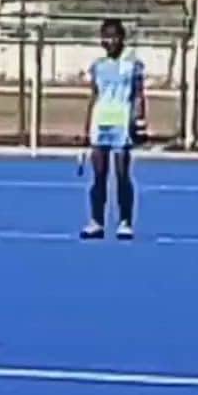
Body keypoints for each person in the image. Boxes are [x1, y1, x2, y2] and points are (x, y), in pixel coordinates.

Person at [79, 18, 147, 240]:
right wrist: (86, 128)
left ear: (122, 38)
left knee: (122, 175)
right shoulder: (98, 66)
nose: (110, 41)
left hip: (122, 124)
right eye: (106, 37)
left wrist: (139, 121)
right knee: (99, 176)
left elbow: (138, 95)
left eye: (114, 36)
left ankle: (125, 222)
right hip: (101, 124)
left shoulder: (133, 65)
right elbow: (94, 95)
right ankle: (96, 222)